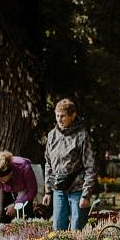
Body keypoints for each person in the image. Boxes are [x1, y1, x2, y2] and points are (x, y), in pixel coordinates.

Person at [42, 98, 97, 230]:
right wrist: (48, 191)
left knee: (77, 229)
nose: (59, 119)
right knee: (58, 228)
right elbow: (48, 164)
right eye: (57, 116)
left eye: (63, 116)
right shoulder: (51, 136)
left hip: (77, 189)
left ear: (73, 115)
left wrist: (86, 194)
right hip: (58, 189)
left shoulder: (82, 136)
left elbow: (90, 167)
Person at [0, 151, 38, 221]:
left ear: (10, 173)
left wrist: (15, 205)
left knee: (25, 213)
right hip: (6, 188)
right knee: (2, 215)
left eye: (2, 178)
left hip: (24, 187)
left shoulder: (25, 168)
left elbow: (32, 191)